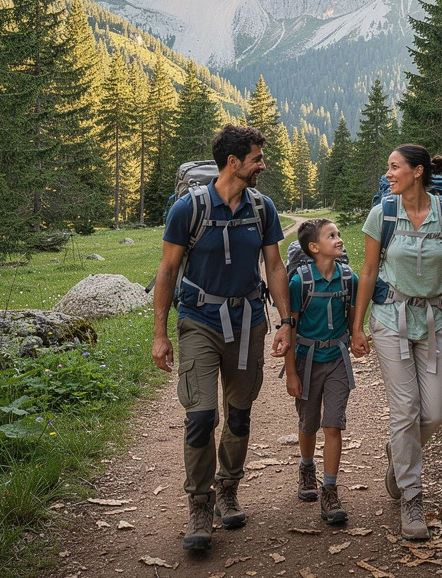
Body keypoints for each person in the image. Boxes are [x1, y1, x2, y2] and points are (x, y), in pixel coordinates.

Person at [152, 124, 293, 551]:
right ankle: (199, 504)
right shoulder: (188, 210)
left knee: (239, 415)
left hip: (248, 321)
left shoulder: (262, 208)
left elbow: (275, 266)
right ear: (233, 162)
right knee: (200, 416)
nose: (262, 165)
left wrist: (286, 321)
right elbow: (167, 271)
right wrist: (160, 334)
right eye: (257, 159)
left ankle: (228, 488)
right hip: (198, 320)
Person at [351, 144, 442, 541]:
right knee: (405, 410)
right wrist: (357, 327)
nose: (388, 174)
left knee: (436, 410)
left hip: (436, 321)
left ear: (418, 172)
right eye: (388, 168)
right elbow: (368, 272)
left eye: (395, 167)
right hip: (392, 320)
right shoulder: (382, 214)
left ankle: (400, 451)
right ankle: (411, 496)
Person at [283, 219, 358, 525]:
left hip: (338, 358)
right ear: (314, 247)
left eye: (338, 234)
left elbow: (353, 318)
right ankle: (306, 467)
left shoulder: (348, 278)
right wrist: (291, 373)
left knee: (333, 425)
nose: (339, 239)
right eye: (331, 236)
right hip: (307, 360)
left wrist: (358, 335)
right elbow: (290, 329)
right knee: (309, 422)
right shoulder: (299, 283)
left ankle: (330, 490)